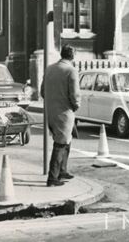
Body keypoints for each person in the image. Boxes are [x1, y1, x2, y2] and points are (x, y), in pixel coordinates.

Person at [41, 45, 81, 187]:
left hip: (51, 111)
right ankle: (52, 178)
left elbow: (42, 92)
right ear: (73, 55)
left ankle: (62, 170)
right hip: (64, 112)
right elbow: (75, 94)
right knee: (60, 144)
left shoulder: (50, 69)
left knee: (67, 140)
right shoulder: (71, 70)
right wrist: (76, 105)